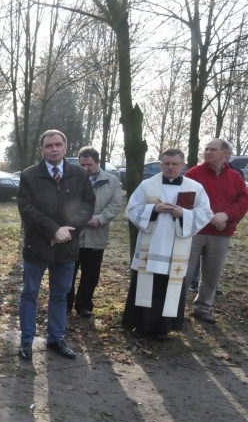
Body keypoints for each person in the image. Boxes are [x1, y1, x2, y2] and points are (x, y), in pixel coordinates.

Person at [17, 130, 95, 361]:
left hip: (67, 247)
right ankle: (26, 341)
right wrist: (53, 230)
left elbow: (88, 205)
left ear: (65, 146)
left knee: (60, 295)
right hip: (37, 246)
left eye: (58, 144)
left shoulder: (79, 174)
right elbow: (26, 208)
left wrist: (67, 230)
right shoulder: (29, 175)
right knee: (30, 294)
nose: (53, 149)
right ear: (42, 149)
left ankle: (55, 338)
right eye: (49, 145)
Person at [122, 148, 213, 340]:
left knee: (168, 286)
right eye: (166, 163)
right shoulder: (147, 185)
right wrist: (153, 209)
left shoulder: (195, 188)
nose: (170, 167)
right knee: (147, 284)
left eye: (175, 164)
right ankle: (141, 325)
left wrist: (184, 214)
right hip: (150, 247)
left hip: (176, 248)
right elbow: (131, 209)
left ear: (183, 165)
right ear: (160, 164)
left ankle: (164, 328)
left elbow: (206, 214)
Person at [183, 138, 248, 323]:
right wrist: (209, 216)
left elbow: (244, 201)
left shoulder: (235, 177)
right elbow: (186, 201)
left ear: (226, 154)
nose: (208, 152)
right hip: (195, 232)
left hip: (221, 233)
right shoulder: (193, 174)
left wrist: (227, 216)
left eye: (213, 149)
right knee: (184, 273)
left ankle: (202, 308)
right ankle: (176, 308)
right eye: (206, 149)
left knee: (212, 274)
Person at [66, 146, 122, 318]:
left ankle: (84, 305)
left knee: (91, 273)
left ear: (97, 162)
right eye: (82, 164)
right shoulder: (71, 179)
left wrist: (100, 219)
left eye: (89, 165)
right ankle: (66, 304)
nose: (85, 168)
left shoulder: (112, 181)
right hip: (73, 234)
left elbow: (115, 205)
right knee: (68, 271)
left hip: (96, 234)